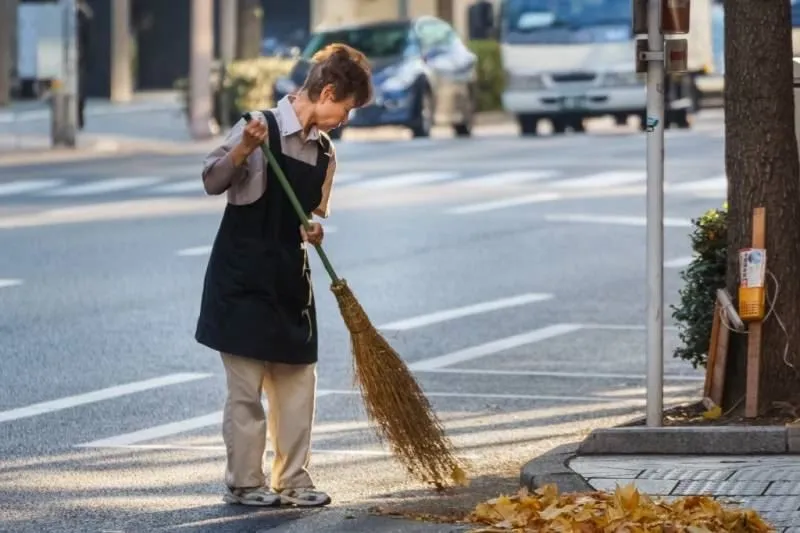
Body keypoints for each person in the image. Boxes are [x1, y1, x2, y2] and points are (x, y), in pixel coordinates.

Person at [195, 43, 373, 507]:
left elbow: (313, 215)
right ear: (327, 91)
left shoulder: (326, 153)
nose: (345, 119)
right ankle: (245, 482)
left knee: (298, 385)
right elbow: (212, 181)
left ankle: (293, 479)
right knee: (246, 393)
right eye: (345, 109)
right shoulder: (259, 127)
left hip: (290, 279)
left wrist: (313, 231)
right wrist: (244, 150)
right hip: (240, 279)